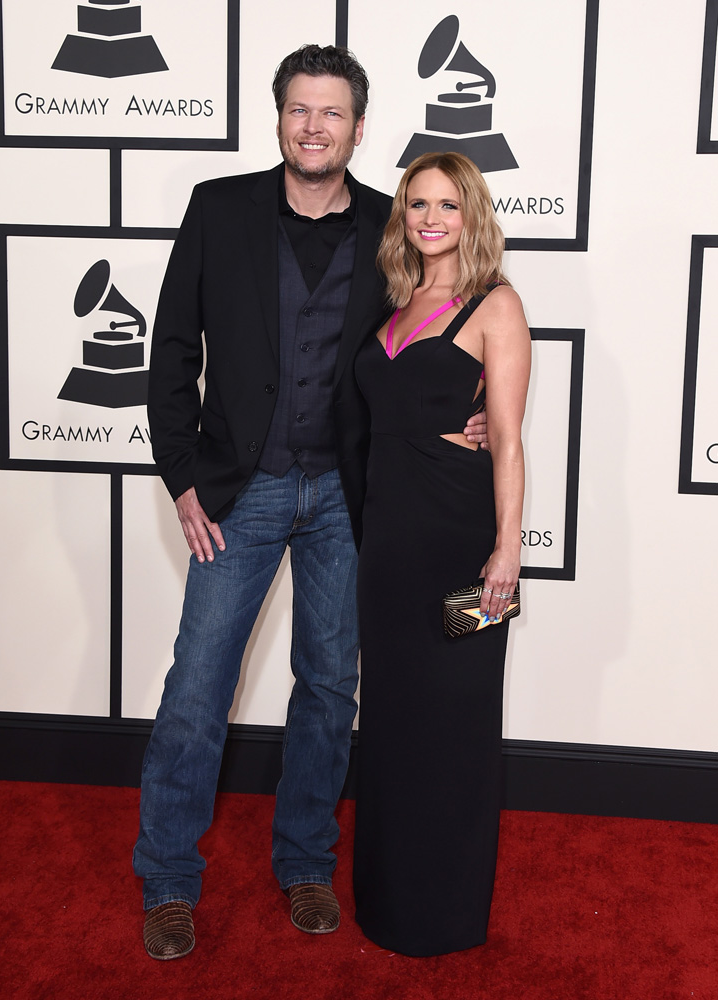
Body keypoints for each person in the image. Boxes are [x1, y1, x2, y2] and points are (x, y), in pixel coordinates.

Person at [133, 44, 490, 960]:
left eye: (331, 113)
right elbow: (171, 349)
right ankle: (169, 879)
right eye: (299, 109)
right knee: (197, 684)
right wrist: (181, 478)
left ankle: (303, 863)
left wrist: (476, 410)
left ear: (358, 127)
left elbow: (446, 318)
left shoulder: (391, 224)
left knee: (329, 687)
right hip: (237, 492)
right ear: (279, 117)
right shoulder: (219, 208)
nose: (314, 126)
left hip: (349, 495)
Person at [352, 151, 531, 957]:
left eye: (447, 204)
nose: (430, 217)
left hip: (461, 548)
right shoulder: (392, 304)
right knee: (391, 720)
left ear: (471, 215)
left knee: (455, 722)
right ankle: (388, 902)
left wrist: (506, 553)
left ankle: (444, 914)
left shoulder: (496, 306)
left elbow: (509, 444)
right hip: (386, 546)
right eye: (417, 203)